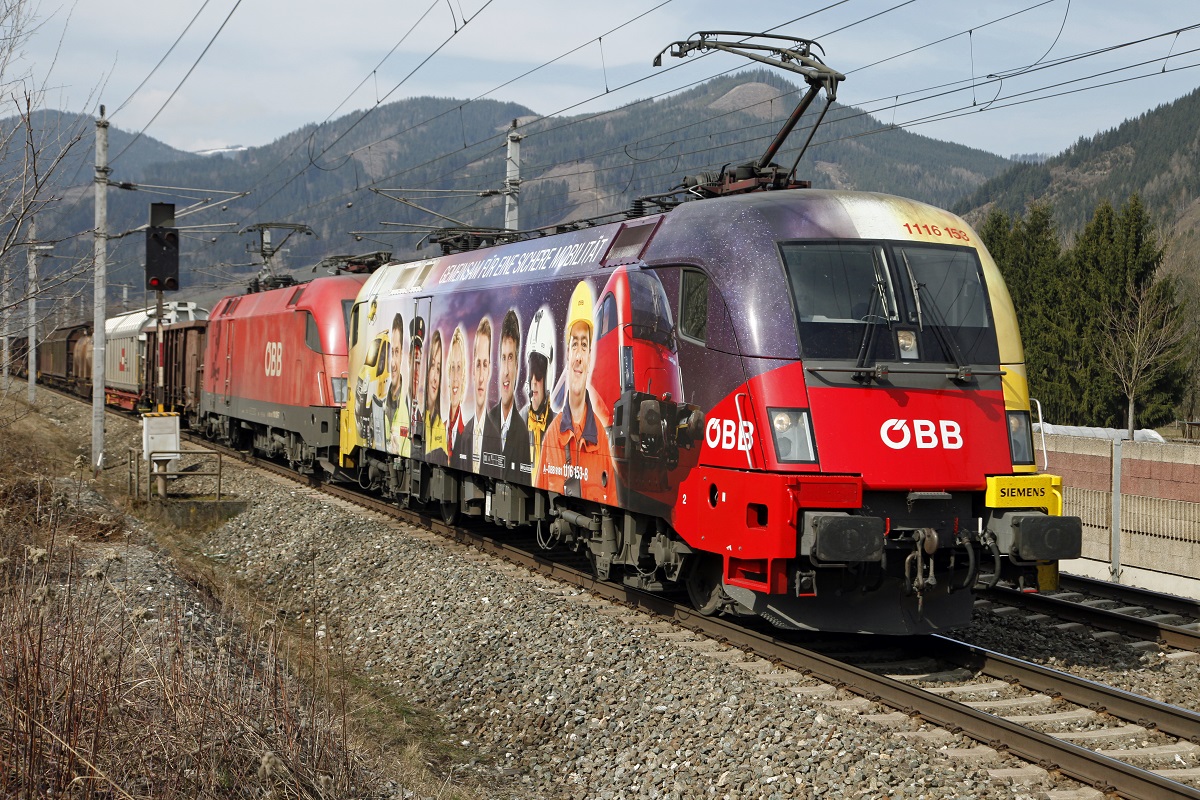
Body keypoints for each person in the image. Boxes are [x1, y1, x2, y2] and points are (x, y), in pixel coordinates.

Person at [537, 281, 615, 503]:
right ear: (567, 354)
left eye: (584, 345)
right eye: (574, 345)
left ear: (590, 356)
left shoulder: (601, 440)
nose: (579, 356)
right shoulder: (551, 437)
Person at [486, 310, 532, 483]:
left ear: (518, 366)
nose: (506, 371)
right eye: (503, 358)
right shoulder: (487, 422)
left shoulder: (522, 431)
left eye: (511, 358)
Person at [519, 306, 556, 480]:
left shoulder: (558, 426)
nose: (534, 380)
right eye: (531, 370)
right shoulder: (518, 421)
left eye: (539, 372)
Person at [458, 317, 500, 474]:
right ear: (472, 371)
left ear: (489, 369)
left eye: (485, 365)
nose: (481, 377)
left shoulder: (497, 438)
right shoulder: (464, 435)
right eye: (478, 364)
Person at [382, 313, 407, 454]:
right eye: (392, 352)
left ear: (402, 354)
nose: (393, 363)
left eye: (397, 352)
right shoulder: (383, 402)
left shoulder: (408, 406)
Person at [424, 329, 448, 465]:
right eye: (432, 366)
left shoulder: (442, 427)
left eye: (438, 369)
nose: (434, 378)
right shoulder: (418, 417)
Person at [445, 326, 467, 463]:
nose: (455, 377)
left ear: (464, 375)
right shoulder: (440, 428)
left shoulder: (466, 434)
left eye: (459, 368)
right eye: (452, 367)